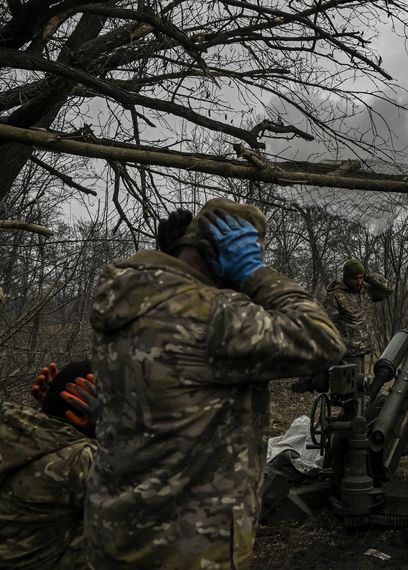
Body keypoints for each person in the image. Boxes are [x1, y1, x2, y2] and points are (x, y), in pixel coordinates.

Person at [85, 198, 345, 569]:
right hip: (186, 546)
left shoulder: (128, 298)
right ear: (225, 253)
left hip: (116, 531)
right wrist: (255, 273)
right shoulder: (214, 316)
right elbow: (323, 340)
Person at [0, 361, 97, 569]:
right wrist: (110, 425)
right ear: (83, 413)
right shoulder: (81, 461)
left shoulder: (9, 424)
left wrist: (52, 406)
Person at [291, 259, 392, 392]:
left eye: (361, 278)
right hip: (347, 351)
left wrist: (368, 276)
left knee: (359, 386)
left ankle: (352, 410)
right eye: (355, 278)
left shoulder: (366, 290)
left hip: (363, 349)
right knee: (351, 389)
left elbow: (387, 289)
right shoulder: (336, 296)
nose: (359, 282)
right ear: (346, 278)